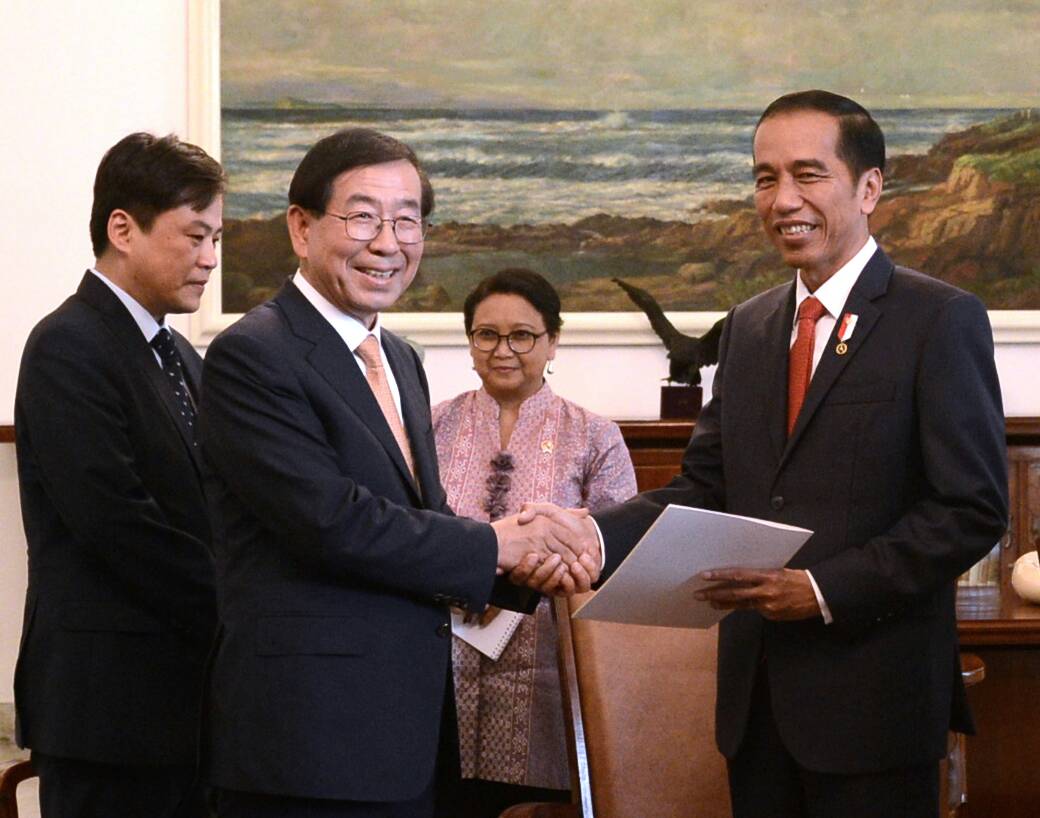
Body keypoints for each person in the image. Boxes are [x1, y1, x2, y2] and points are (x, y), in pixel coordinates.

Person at [522, 90, 1009, 817]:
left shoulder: (938, 318)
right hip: (755, 708)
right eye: (764, 177)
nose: (782, 200)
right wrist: (592, 532)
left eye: (807, 175)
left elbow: (971, 510)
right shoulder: (748, 329)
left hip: (874, 709)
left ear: (870, 187)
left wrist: (820, 590)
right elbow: (705, 486)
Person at [198, 129, 598, 818]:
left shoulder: (400, 359)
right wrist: (504, 543)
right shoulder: (252, 355)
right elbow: (331, 521)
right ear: (300, 226)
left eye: (407, 219)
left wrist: (551, 562)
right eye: (362, 216)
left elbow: (423, 523)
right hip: (308, 744)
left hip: (405, 734)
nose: (388, 241)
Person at [13, 132, 225, 817]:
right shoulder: (67, 345)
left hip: (188, 708)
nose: (210, 260)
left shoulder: (182, 357)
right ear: (122, 229)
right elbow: (118, 524)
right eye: (195, 237)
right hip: (108, 712)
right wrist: (242, 606)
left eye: (217, 238)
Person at [432, 269, 637, 817]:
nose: (504, 350)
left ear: (552, 341)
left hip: (548, 664)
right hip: (438, 667)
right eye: (486, 334)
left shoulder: (594, 436)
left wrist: (561, 569)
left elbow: (613, 555)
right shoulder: (430, 427)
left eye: (522, 335)